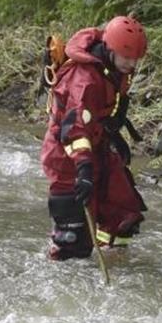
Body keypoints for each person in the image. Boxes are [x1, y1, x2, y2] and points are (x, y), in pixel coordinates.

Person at [40, 16, 148, 260]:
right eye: (127, 58)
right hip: (67, 157)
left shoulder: (114, 67)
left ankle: (113, 261)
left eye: (135, 60)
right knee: (72, 242)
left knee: (123, 215)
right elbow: (76, 128)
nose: (131, 65)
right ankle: (66, 271)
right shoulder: (85, 80)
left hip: (97, 143)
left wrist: (112, 134)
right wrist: (84, 169)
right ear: (110, 50)